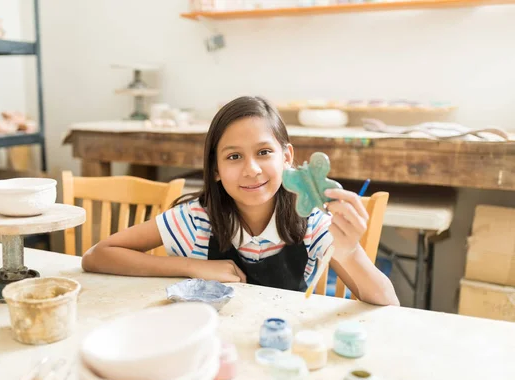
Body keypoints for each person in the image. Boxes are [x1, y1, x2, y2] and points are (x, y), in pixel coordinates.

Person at [82, 96, 399, 306]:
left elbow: (388, 303)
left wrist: (350, 250)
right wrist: (194, 267)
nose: (252, 169)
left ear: (286, 157)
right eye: (234, 156)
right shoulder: (195, 220)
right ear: (216, 169)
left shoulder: (312, 222)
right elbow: (97, 256)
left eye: (264, 152)